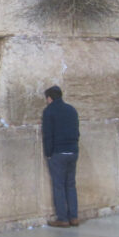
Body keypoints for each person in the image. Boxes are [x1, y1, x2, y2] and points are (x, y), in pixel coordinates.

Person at [41, 86, 80, 227]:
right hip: (73, 151)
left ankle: (63, 218)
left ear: (50, 97)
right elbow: (77, 131)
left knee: (58, 186)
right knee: (70, 185)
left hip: (58, 152)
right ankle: (74, 217)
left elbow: (48, 135)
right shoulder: (71, 109)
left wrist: (48, 154)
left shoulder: (49, 111)